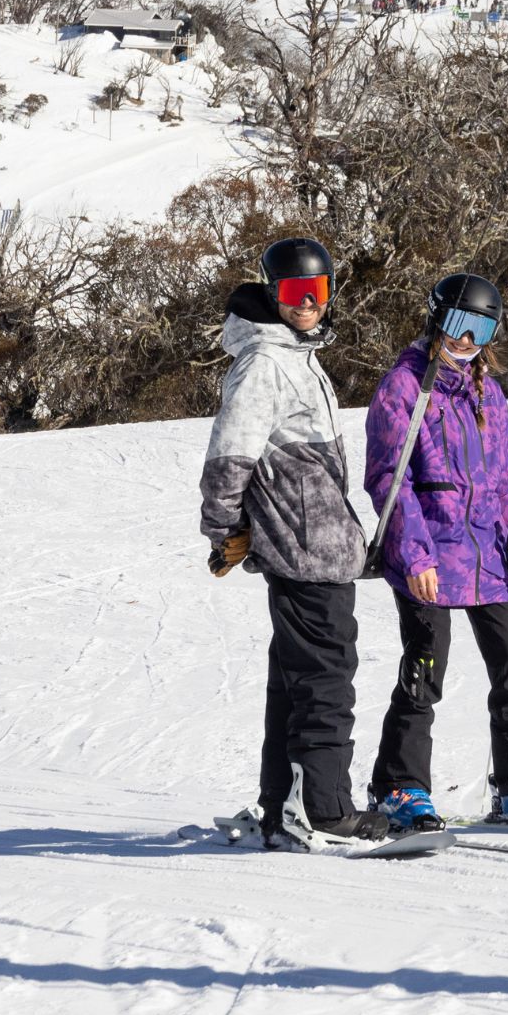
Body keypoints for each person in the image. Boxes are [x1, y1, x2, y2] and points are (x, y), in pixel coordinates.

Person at [363, 273, 508, 832]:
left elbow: (505, 483)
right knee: (426, 671)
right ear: (435, 318)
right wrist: (416, 555)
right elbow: (388, 480)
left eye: (482, 328)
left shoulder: (490, 394)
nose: (468, 339)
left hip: (488, 559)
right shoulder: (404, 388)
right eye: (459, 324)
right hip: (429, 557)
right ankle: (400, 787)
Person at [200, 237, 375, 850]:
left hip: (318, 543)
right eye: (295, 293)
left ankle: (280, 808)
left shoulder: (296, 354)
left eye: (317, 292)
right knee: (326, 678)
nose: (307, 304)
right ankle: (323, 811)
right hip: (304, 550)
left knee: (296, 679)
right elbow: (231, 453)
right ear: (273, 294)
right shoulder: (266, 362)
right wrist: (225, 527)